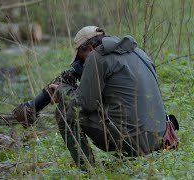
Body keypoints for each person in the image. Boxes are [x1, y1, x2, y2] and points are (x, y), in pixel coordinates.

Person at [13, 26, 173, 170]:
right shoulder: (138, 52)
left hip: (134, 140)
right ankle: (126, 160)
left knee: (65, 112)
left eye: (81, 58)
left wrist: (63, 91)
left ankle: (86, 171)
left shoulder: (97, 57)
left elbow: (84, 105)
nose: (81, 63)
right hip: (158, 137)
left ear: (89, 47)